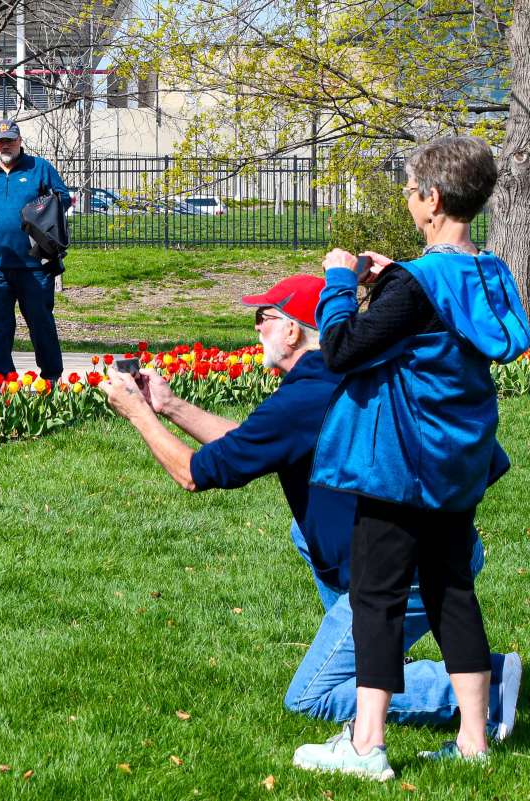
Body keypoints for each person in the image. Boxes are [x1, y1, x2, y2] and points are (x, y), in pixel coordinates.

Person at [100, 274, 521, 780]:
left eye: (265, 319)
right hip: (428, 537)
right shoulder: (329, 380)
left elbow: (192, 473)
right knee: (306, 535)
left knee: (313, 695)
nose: (256, 329)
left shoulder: (304, 399)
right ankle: (405, 672)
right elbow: (247, 444)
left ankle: (487, 685)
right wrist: (167, 407)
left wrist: (136, 416)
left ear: (296, 332)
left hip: (400, 564)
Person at [299, 136, 530, 777]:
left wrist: (341, 281)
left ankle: (367, 745)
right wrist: (394, 277)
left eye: (408, 191)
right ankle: (475, 741)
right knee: (454, 589)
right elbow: (429, 320)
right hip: (458, 461)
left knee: (377, 596)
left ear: (431, 199)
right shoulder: (490, 273)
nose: (408, 201)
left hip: (401, 464)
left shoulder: (417, 285)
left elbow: (342, 349)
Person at [0, 120, 71, 380]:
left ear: (20, 141)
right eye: (0, 141)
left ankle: (51, 378)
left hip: (34, 266)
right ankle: (4, 378)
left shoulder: (39, 168)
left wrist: (39, 215)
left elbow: (63, 199)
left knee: (41, 323)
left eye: (10, 140)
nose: (5, 145)